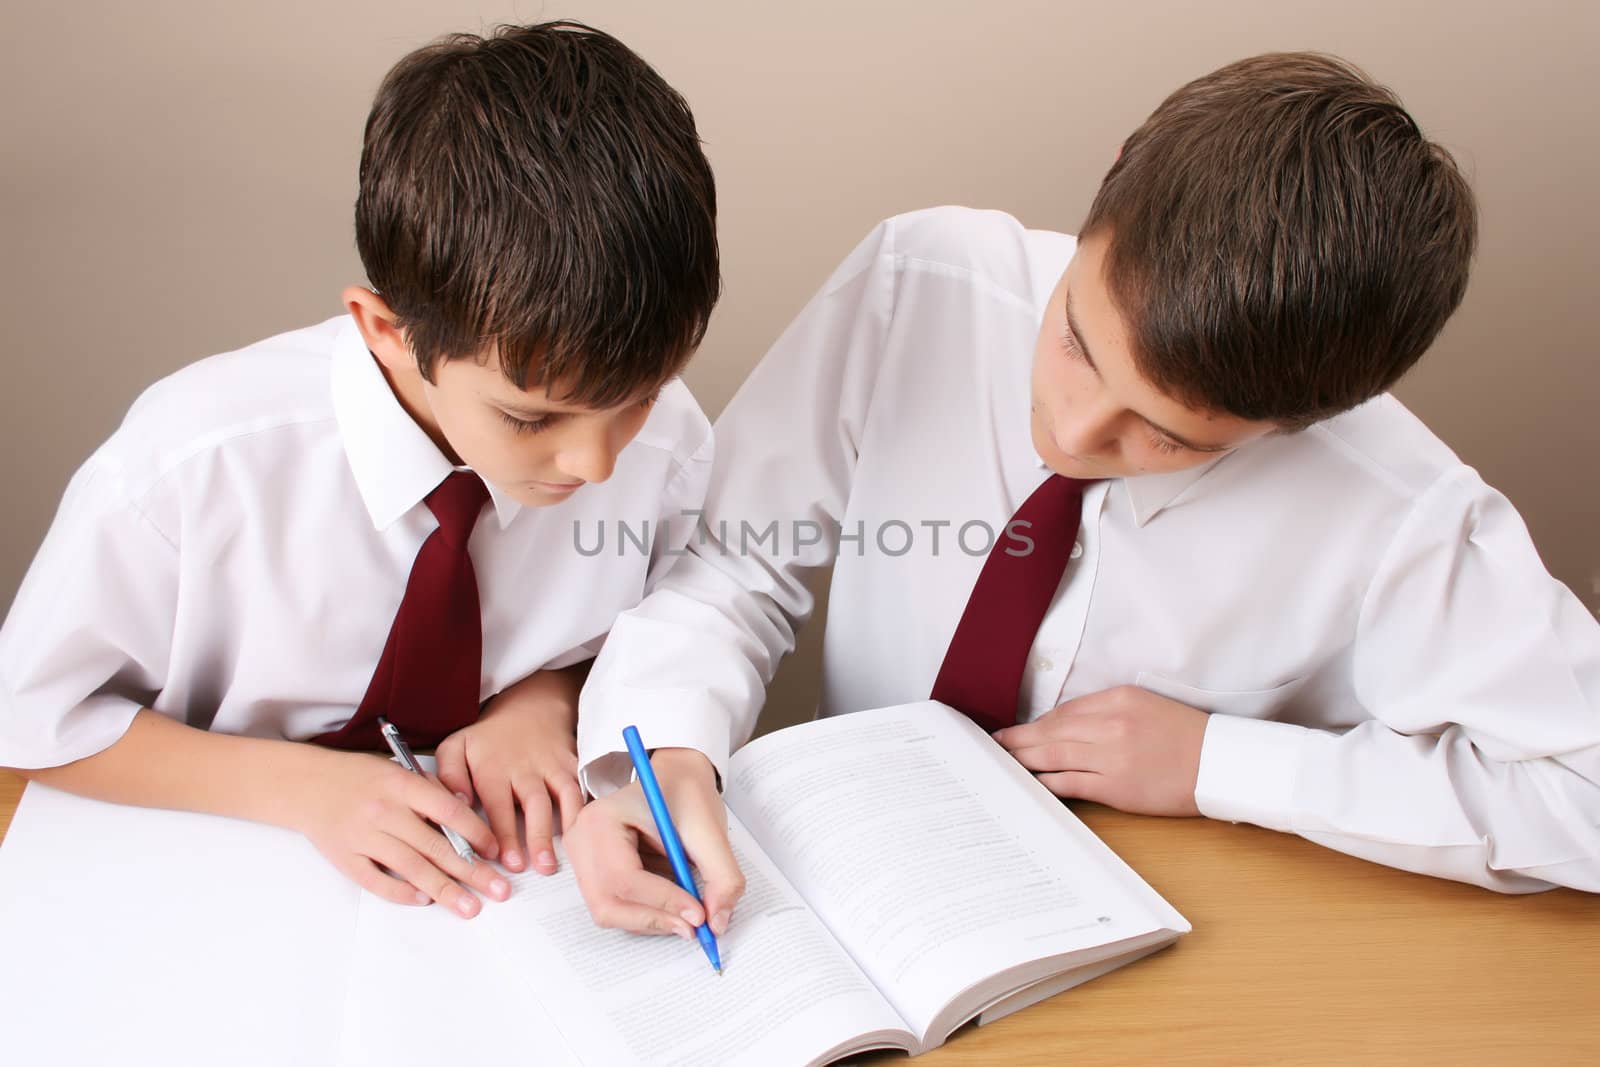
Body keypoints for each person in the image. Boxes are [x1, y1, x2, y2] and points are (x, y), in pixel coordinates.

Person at [566, 51, 1600, 942]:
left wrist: (1220, 763)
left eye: (1165, 435)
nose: (1067, 432)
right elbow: (735, 557)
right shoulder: (920, 282)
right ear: (1113, 176)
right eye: (1075, 339)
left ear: (1305, 418)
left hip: (1177, 929)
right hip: (864, 893)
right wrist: (660, 758)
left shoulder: (1400, 513)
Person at [0, 21, 720, 921]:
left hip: (506, 908)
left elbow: (679, 619)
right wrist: (304, 789)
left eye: (641, 398)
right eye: (529, 418)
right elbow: (31, 718)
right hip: (216, 899)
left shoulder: (671, 445)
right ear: (386, 330)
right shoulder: (193, 465)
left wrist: (548, 697)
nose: (595, 460)